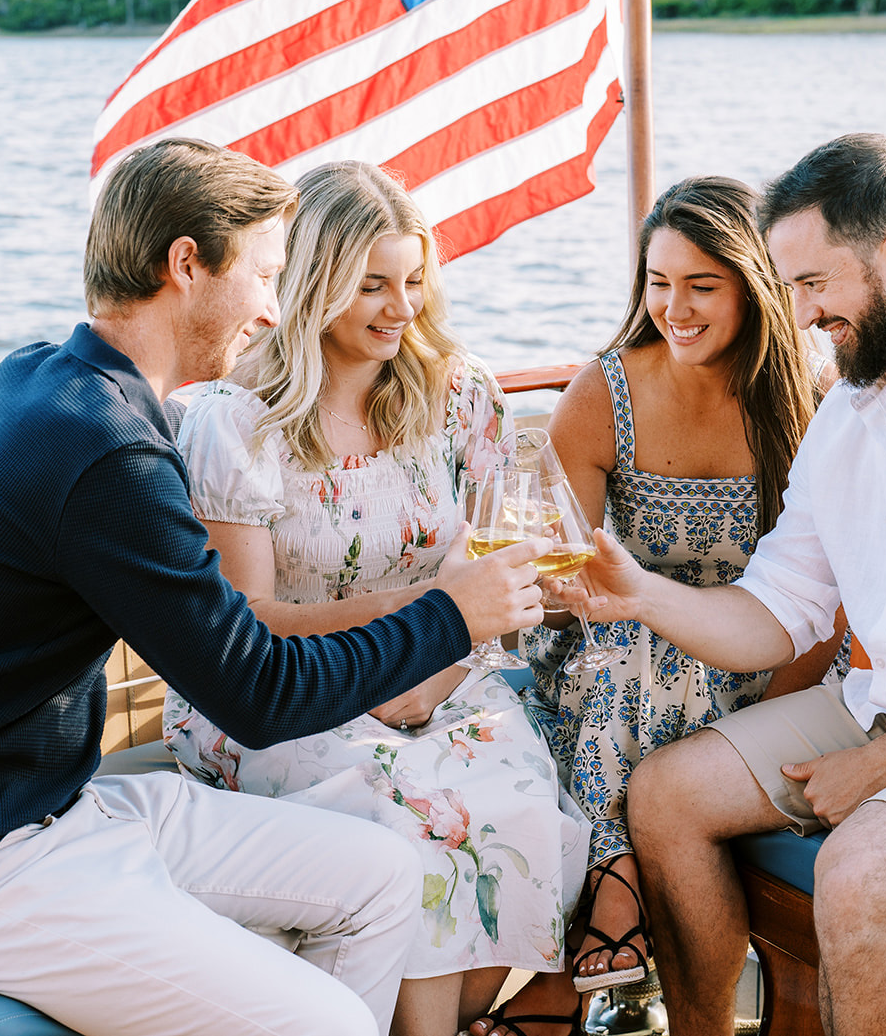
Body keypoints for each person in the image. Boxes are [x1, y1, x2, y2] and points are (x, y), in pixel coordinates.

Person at [0, 138, 553, 1036]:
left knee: (383, 874)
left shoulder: (52, 378)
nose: (270, 305)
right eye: (263, 273)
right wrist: (450, 615)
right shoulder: (107, 452)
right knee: (324, 1022)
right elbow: (256, 693)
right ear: (186, 264)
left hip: (55, 806)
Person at [580, 134, 886, 1036]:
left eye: (814, 284)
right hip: (882, 701)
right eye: (790, 286)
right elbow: (775, 610)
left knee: (856, 875)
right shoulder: (846, 413)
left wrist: (880, 764)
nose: (799, 313)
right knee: (665, 795)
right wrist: (637, 593)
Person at [160, 160, 590, 1036]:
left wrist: (436, 665)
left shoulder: (456, 394)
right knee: (414, 821)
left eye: (413, 280)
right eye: (371, 285)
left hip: (439, 669)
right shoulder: (235, 423)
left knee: (529, 803)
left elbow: (498, 553)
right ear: (313, 284)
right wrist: (425, 608)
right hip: (284, 692)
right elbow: (249, 627)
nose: (401, 307)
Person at [473, 176, 845, 1036]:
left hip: (772, 660)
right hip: (621, 661)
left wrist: (784, 700)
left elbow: (829, 598)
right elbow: (561, 576)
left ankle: (588, 944)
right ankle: (611, 900)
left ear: (753, 288)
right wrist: (567, 593)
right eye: (657, 282)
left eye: (700, 285)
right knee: (633, 646)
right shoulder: (604, 392)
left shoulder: (812, 396)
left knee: (647, 649)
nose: (673, 307)